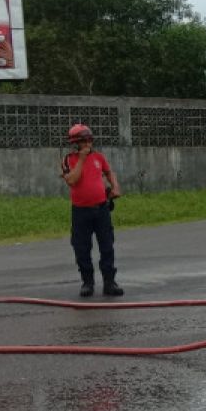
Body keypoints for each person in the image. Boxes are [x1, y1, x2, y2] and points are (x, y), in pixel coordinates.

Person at [61, 124, 124, 298]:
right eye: (84, 140)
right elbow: (72, 180)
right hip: (80, 211)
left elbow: (109, 172)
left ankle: (110, 282)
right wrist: (81, 159)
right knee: (81, 247)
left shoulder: (99, 157)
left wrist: (115, 186)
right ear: (76, 143)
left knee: (107, 245)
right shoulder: (68, 160)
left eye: (89, 139)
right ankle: (87, 282)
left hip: (101, 209)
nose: (88, 143)